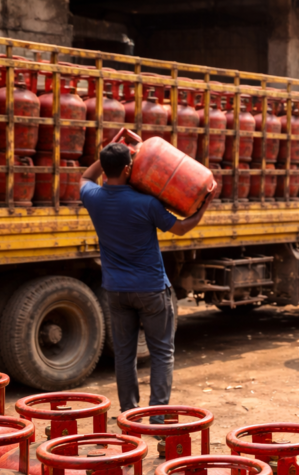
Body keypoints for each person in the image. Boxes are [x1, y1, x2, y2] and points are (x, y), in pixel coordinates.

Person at [80, 142, 207, 423]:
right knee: (162, 353)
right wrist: (204, 207)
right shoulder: (146, 203)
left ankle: (128, 414)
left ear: (106, 168)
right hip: (151, 289)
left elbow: (85, 178)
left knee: (124, 355)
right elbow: (181, 227)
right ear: (128, 169)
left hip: (115, 290)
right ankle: (157, 417)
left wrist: (104, 158)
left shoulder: (93, 198)